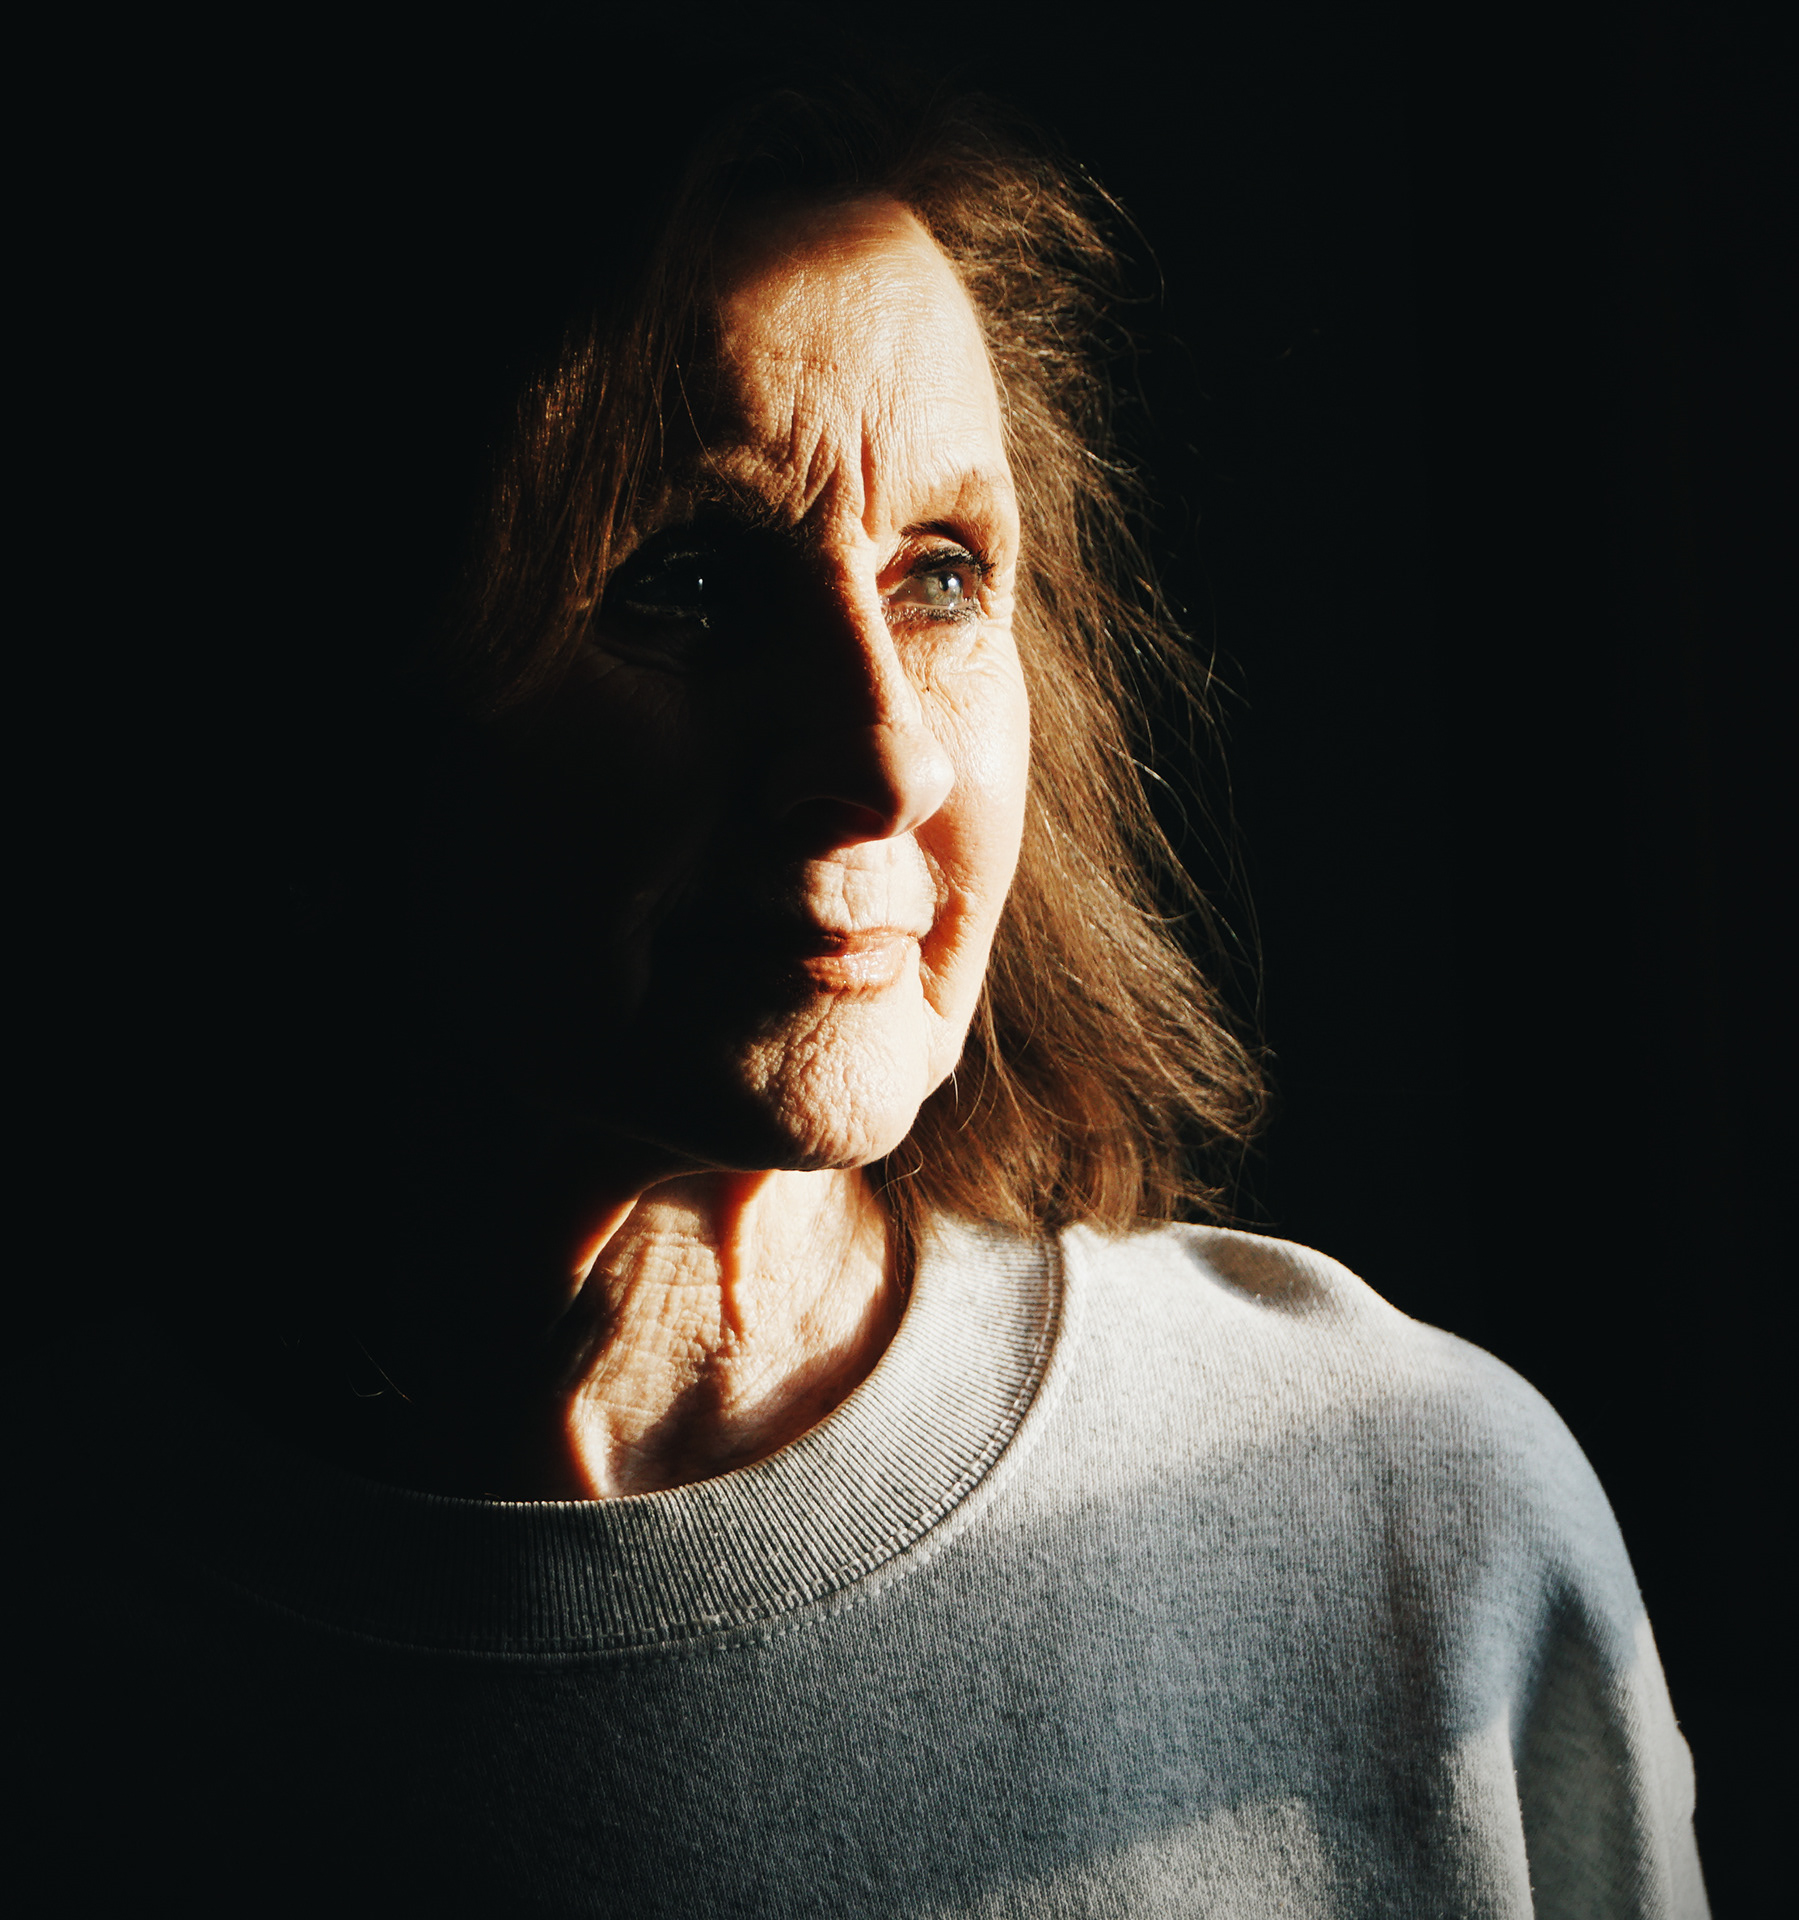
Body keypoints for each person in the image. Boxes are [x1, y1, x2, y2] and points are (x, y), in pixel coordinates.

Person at [96, 61, 1709, 1917]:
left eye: (941, 577)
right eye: (687, 587)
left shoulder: (1411, 1527)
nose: (883, 760)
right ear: (333, 709)